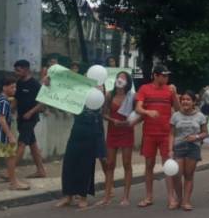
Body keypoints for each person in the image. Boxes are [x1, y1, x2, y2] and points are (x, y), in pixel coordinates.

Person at [134, 65, 180, 208]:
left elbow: (178, 110)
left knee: (168, 166)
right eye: (164, 75)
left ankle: (171, 198)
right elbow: (138, 108)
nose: (166, 78)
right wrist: (148, 112)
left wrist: (175, 94)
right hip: (149, 133)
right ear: (155, 75)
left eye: (167, 75)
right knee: (149, 165)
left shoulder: (169, 90)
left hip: (166, 134)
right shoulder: (144, 89)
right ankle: (148, 196)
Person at [56, 85, 106, 209]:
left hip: (92, 132)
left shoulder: (100, 98)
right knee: (69, 163)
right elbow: (62, 98)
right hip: (77, 131)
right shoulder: (80, 94)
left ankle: (83, 196)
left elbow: (103, 111)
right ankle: (68, 195)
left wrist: (100, 91)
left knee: (86, 165)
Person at [100, 71, 137, 206]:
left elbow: (138, 113)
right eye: (118, 77)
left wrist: (131, 122)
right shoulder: (109, 95)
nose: (119, 80)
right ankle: (106, 196)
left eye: (123, 77)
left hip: (127, 132)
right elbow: (104, 114)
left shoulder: (132, 97)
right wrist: (113, 120)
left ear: (128, 81)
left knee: (127, 163)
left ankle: (126, 197)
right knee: (110, 164)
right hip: (113, 132)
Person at [171, 90, 208, 211]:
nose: (185, 102)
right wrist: (170, 149)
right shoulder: (175, 115)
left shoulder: (200, 116)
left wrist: (196, 137)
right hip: (178, 146)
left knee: (188, 175)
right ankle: (179, 199)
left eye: (188, 99)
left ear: (193, 102)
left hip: (193, 147)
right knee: (177, 174)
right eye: (183, 99)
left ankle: (186, 201)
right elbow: (171, 134)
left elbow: (205, 133)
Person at [13, 59, 48, 179]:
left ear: (26, 69)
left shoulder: (35, 84)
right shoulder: (19, 83)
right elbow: (16, 99)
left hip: (31, 119)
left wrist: (31, 112)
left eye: (18, 70)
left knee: (21, 143)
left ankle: (10, 171)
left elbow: (42, 102)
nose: (16, 73)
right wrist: (10, 110)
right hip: (21, 118)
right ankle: (41, 170)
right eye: (15, 70)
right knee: (33, 145)